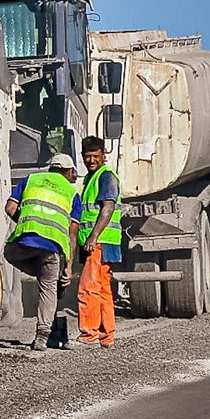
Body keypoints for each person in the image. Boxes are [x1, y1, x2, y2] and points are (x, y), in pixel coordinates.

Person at [4, 153, 82, 352]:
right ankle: (42, 336)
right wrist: (69, 267)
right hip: (53, 246)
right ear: (68, 171)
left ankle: (46, 275)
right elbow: (72, 235)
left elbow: (10, 207)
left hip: (25, 241)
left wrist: (27, 221)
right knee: (49, 286)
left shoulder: (31, 179)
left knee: (8, 253)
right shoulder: (73, 194)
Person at [77, 135, 123, 347]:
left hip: (100, 242)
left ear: (104, 155)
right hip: (105, 242)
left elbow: (108, 207)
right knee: (103, 289)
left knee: (89, 287)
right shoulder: (90, 179)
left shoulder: (106, 177)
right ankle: (107, 335)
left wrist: (93, 237)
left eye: (95, 156)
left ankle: (89, 334)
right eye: (87, 157)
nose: (91, 160)